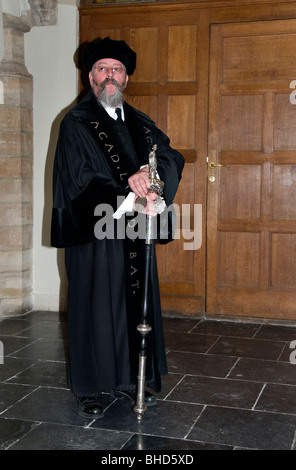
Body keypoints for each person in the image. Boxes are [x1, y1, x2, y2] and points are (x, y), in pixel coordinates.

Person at [51, 37, 184, 419]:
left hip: (135, 230)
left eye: (117, 70)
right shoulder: (76, 124)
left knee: (133, 304)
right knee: (94, 306)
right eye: (102, 69)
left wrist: (152, 176)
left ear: (126, 79)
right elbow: (76, 178)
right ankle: (90, 387)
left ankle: (132, 379)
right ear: (90, 76)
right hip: (94, 231)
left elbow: (171, 156)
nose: (110, 76)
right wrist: (127, 183)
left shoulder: (142, 124)